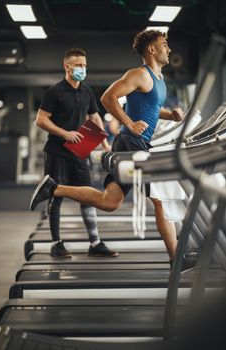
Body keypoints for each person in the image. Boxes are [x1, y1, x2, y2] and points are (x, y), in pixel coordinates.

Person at [30, 30, 197, 270]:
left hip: (136, 145)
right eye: (164, 44)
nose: (169, 49)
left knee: (110, 202)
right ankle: (176, 258)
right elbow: (109, 97)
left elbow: (145, 108)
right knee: (160, 198)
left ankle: (54, 188)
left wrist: (170, 114)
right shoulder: (140, 74)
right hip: (132, 145)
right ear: (151, 49)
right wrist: (129, 124)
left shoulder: (158, 79)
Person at [34, 47, 118, 258]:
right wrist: (65, 134)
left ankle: (95, 242)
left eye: (85, 65)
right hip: (57, 152)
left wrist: (105, 144)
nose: (82, 68)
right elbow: (41, 120)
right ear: (67, 66)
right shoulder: (54, 92)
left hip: (80, 152)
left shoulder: (87, 91)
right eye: (79, 65)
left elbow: (95, 118)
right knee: (57, 195)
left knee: (88, 196)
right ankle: (56, 243)